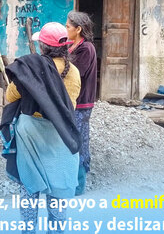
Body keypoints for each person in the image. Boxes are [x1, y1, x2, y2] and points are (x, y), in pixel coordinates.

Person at [3, 22, 81, 234]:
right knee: (58, 190)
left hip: (31, 134)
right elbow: (71, 104)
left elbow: (10, 96)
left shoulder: (31, 70)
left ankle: (28, 230)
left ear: (43, 47)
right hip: (61, 134)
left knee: (30, 186)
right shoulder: (73, 72)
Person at [65, 11, 98, 195]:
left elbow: (76, 74)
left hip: (82, 103)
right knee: (72, 140)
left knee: (79, 141)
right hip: (74, 102)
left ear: (78, 29)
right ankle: (72, 180)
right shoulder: (73, 45)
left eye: (68, 26)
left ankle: (79, 185)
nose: (66, 29)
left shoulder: (86, 49)